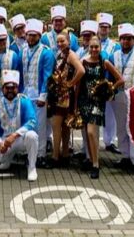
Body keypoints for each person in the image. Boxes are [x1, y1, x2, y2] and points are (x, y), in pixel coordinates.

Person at [77, 37, 124, 179]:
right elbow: (78, 85)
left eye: (96, 47)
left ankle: (96, 164)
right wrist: (75, 104)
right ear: (88, 47)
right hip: (85, 100)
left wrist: (109, 89)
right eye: (91, 47)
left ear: (100, 48)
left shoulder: (105, 62)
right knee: (88, 132)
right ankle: (91, 160)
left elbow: (120, 79)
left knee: (92, 132)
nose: (93, 49)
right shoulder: (83, 62)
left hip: (98, 102)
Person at [0, 70, 39, 182]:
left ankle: (32, 167)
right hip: (4, 140)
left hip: (21, 139)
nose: (10, 90)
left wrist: (15, 135)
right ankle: (8, 157)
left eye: (13, 87)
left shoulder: (24, 101)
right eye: (7, 88)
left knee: (32, 136)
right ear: (2, 89)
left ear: (17, 88)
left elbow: (32, 121)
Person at [109, 23, 134, 173]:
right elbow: (109, 77)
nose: (125, 41)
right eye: (123, 39)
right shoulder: (114, 55)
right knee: (121, 127)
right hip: (119, 96)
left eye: (129, 39)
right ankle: (125, 156)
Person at [47, 30, 84, 168]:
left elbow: (81, 70)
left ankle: (56, 157)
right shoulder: (60, 54)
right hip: (60, 94)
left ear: (69, 41)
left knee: (57, 126)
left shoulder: (71, 55)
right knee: (63, 126)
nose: (60, 43)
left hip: (65, 94)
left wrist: (70, 83)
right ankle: (65, 155)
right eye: (58, 41)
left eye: (62, 41)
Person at [22, 19, 56, 168]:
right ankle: (28, 154)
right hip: (25, 95)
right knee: (27, 126)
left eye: (34, 35)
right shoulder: (23, 50)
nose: (31, 38)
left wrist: (43, 96)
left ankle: (41, 155)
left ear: (39, 35)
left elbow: (48, 76)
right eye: (29, 35)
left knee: (40, 127)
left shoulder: (46, 52)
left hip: (39, 97)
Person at [96, 13, 121, 154]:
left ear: (110, 29)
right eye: (101, 27)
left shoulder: (115, 46)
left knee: (110, 115)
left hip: (109, 84)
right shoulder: (92, 42)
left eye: (106, 27)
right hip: (93, 85)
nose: (104, 29)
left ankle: (109, 141)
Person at [0, 24, 21, 99]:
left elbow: (16, 77)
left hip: (9, 95)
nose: (2, 42)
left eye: (4, 40)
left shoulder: (13, 55)